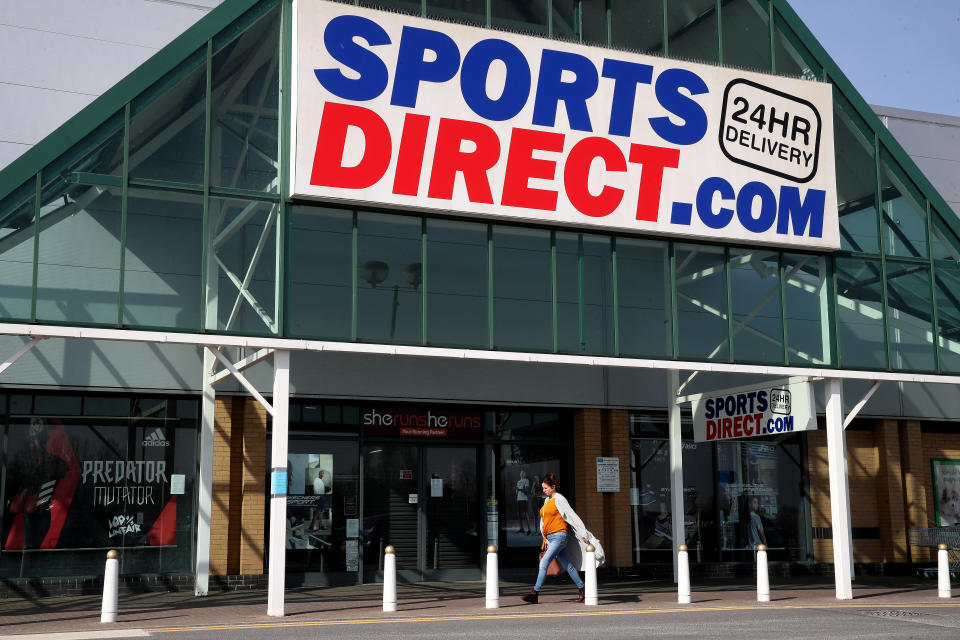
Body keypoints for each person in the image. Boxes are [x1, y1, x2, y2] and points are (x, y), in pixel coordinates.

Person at [521, 472, 604, 605]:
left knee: (544, 563)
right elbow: (544, 522)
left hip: (559, 536)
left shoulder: (559, 499)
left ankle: (534, 594)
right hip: (551, 538)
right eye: (542, 488)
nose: (544, 491)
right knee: (568, 566)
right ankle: (582, 590)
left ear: (553, 487)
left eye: (546, 488)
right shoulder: (546, 501)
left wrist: (584, 533)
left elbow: (572, 516)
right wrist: (546, 540)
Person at [515, 469, 533, 534]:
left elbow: (526, 490)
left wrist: (518, 489)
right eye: (521, 473)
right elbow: (517, 492)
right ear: (520, 474)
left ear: (525, 474)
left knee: (525, 514)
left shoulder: (526, 480)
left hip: (524, 499)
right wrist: (516, 490)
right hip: (518, 499)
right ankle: (521, 528)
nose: (522, 473)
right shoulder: (518, 481)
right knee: (519, 514)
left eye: (523, 473)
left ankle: (529, 530)